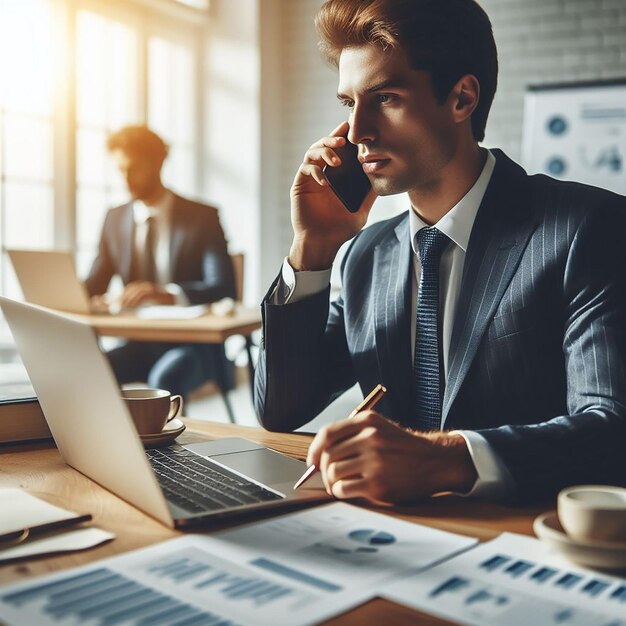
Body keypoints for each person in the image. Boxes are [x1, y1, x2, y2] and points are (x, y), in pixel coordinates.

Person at [254, 0, 626, 505]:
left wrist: (444, 459)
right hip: (388, 539)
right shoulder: (365, 256)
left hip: (525, 540)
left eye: (384, 97)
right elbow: (280, 410)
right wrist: (312, 249)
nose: (358, 131)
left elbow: (611, 430)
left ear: (461, 98)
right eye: (349, 104)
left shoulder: (588, 228)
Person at [85, 125, 236, 402]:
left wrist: (166, 293)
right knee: (89, 370)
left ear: (158, 163)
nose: (126, 180)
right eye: (121, 170)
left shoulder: (202, 217)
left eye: (134, 169)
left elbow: (224, 287)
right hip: (138, 343)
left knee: (164, 379)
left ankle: (162, 447)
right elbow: (94, 283)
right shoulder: (114, 219)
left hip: (194, 346)